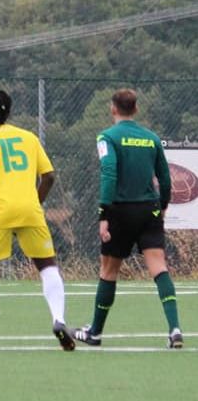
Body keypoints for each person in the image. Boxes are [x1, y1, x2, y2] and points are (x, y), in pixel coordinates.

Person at [0, 89, 73, 352]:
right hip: (30, 209)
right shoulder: (28, 138)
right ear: (10, 111)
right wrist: (34, 201)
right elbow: (49, 176)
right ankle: (59, 319)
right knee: (47, 266)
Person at [72, 89, 183, 349]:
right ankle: (175, 329)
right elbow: (165, 178)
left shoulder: (107, 137)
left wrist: (104, 213)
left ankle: (95, 333)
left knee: (109, 270)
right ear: (135, 109)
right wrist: (163, 205)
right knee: (159, 267)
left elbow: (109, 173)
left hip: (120, 211)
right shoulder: (151, 138)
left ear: (113, 109)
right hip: (149, 210)